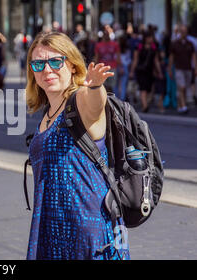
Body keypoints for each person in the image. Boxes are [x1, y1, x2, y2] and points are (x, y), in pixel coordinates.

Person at [25, 31, 130, 260]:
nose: (47, 70)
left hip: (87, 228)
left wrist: (95, 87)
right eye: (38, 64)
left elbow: (94, 105)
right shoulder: (48, 114)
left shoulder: (79, 99)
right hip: (50, 225)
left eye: (55, 61)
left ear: (72, 65)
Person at [130, 32, 163, 113]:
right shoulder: (139, 47)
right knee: (143, 88)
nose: (151, 39)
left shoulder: (154, 48)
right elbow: (135, 59)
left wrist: (159, 71)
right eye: (149, 38)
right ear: (146, 38)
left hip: (150, 71)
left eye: (152, 38)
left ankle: (145, 103)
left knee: (148, 88)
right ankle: (145, 106)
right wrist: (132, 71)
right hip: (141, 70)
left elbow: (156, 61)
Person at [168, 25, 197, 114]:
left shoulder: (190, 43)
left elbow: (193, 56)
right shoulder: (175, 43)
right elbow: (171, 57)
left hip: (187, 68)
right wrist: (169, 68)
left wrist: (195, 68)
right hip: (178, 68)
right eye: (182, 31)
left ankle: (181, 105)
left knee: (184, 88)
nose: (184, 33)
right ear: (180, 32)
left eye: (185, 31)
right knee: (182, 86)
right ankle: (184, 106)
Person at [94, 28, 121, 93]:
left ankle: (112, 100)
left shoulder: (115, 44)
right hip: (103, 68)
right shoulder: (98, 45)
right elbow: (97, 58)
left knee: (113, 86)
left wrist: (120, 67)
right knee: (104, 86)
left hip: (112, 67)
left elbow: (118, 57)